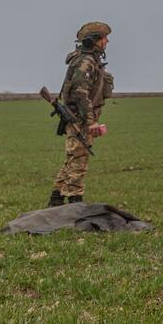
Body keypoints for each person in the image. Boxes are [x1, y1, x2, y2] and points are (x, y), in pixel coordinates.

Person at [49, 21, 114, 207]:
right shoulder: (86, 62)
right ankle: (74, 203)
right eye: (104, 38)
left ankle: (56, 200)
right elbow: (81, 93)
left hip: (81, 117)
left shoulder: (90, 60)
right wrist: (90, 122)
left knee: (73, 158)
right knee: (79, 160)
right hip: (80, 118)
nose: (107, 41)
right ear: (94, 40)